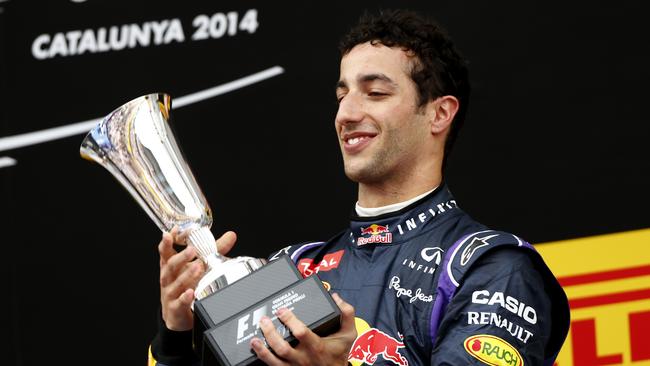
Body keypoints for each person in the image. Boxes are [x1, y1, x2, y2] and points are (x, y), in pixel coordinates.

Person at [148, 9, 570, 366]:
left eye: (375, 92)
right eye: (342, 94)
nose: (346, 113)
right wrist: (177, 329)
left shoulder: (491, 268)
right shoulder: (291, 267)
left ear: (439, 113)